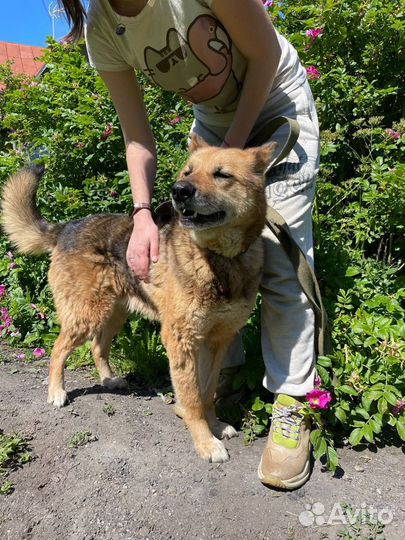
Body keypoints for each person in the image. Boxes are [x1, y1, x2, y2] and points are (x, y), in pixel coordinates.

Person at [59, 0, 320, 490]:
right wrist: (141, 215)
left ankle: (292, 403)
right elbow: (136, 135)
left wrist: (232, 162)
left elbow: (263, 56)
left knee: (281, 264)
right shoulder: (103, 27)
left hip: (275, 97)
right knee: (205, 255)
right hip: (215, 123)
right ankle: (217, 383)